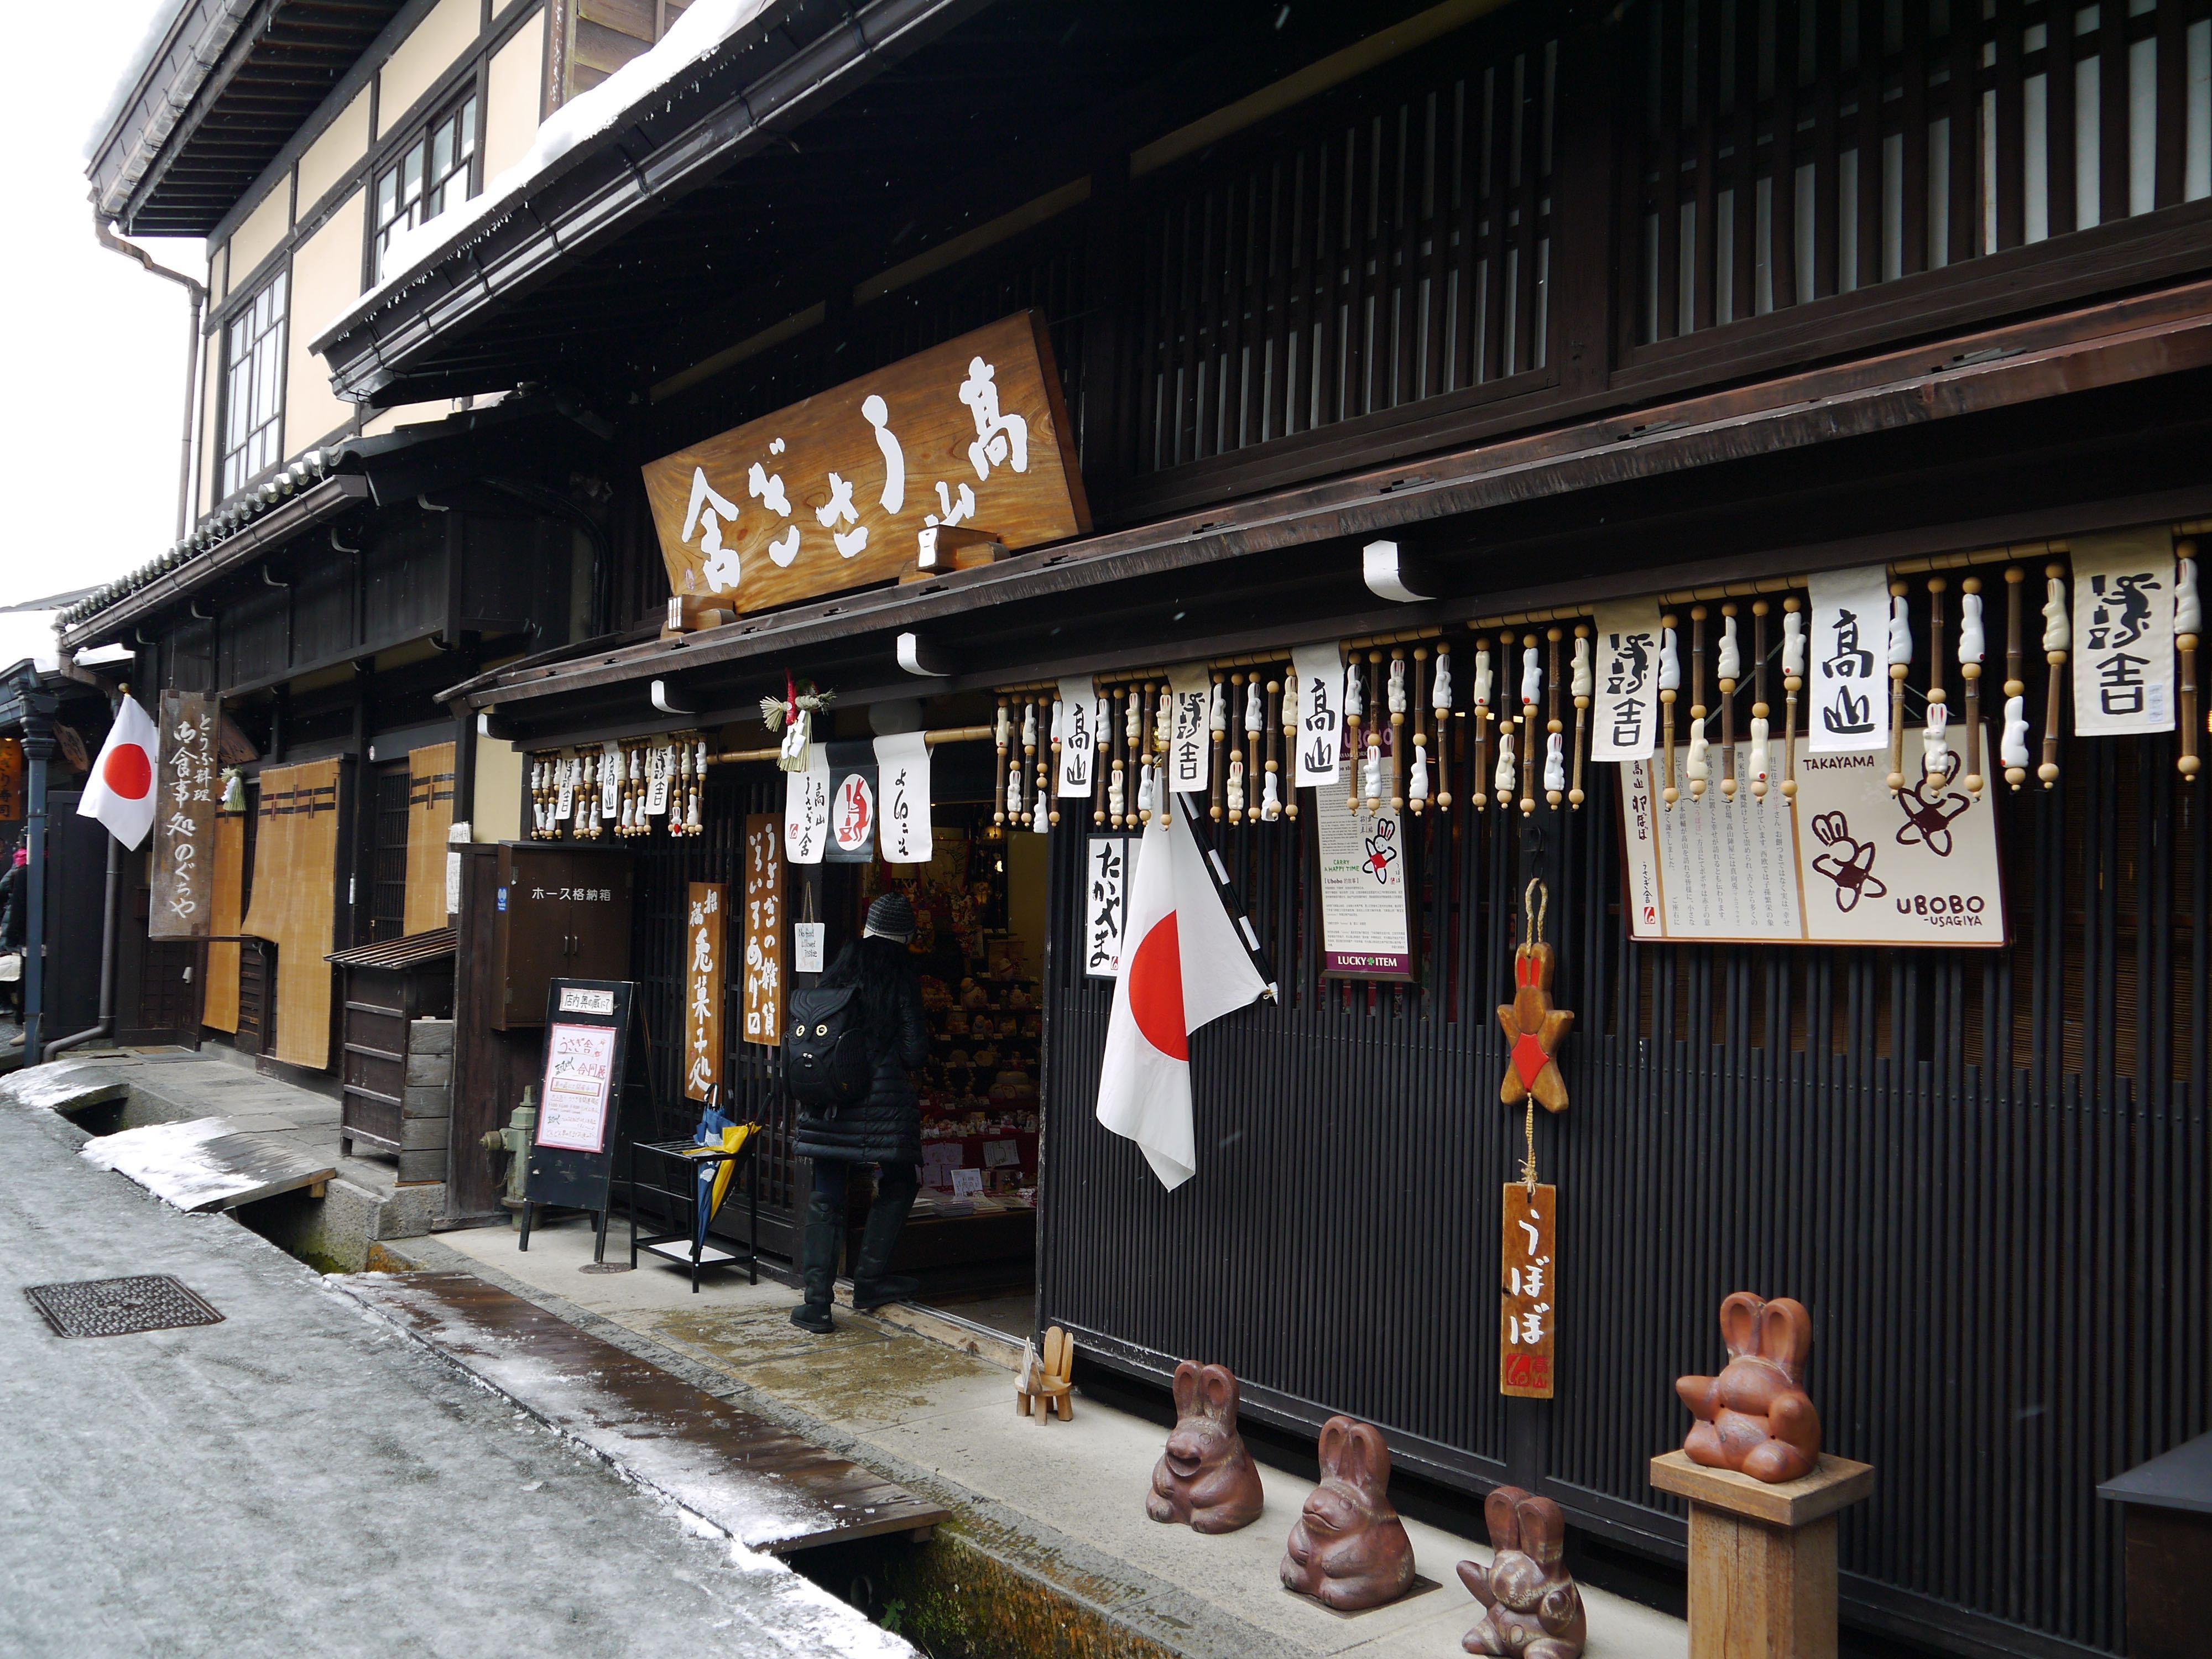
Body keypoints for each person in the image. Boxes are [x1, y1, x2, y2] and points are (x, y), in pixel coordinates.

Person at [791, 891, 928, 1332]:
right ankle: (869, 1280)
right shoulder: (900, 976)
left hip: (829, 1101)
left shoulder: (840, 968)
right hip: (880, 1104)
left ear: (868, 928)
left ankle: (816, 1305)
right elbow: (914, 1053)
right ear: (905, 937)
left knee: (826, 1193)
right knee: (900, 1181)